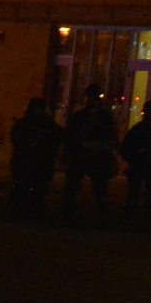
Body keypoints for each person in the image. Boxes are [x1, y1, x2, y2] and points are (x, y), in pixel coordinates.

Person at [61, 90, 117, 220]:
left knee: (99, 187)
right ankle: (69, 211)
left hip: (96, 156)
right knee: (74, 185)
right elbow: (70, 135)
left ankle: (100, 212)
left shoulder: (103, 117)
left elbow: (111, 136)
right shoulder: (81, 116)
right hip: (82, 155)